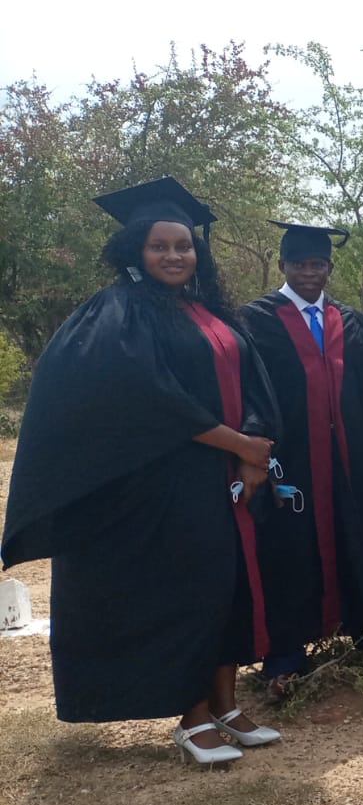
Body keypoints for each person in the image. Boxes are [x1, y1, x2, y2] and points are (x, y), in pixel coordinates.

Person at [1, 177, 281, 763]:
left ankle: (225, 702)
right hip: (165, 482)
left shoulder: (207, 309)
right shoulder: (118, 311)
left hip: (226, 479)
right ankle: (192, 716)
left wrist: (257, 451)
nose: (175, 256)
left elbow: (254, 378)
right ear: (136, 250)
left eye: (184, 246)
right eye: (161, 246)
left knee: (228, 587)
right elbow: (148, 396)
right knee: (189, 593)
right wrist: (238, 443)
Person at [238, 221, 363, 699]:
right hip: (292, 461)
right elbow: (247, 391)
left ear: (329, 266)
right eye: (300, 264)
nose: (310, 273)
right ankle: (286, 653)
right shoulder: (257, 319)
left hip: (352, 460)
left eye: (318, 264)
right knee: (288, 550)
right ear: (283, 265)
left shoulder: (349, 320)